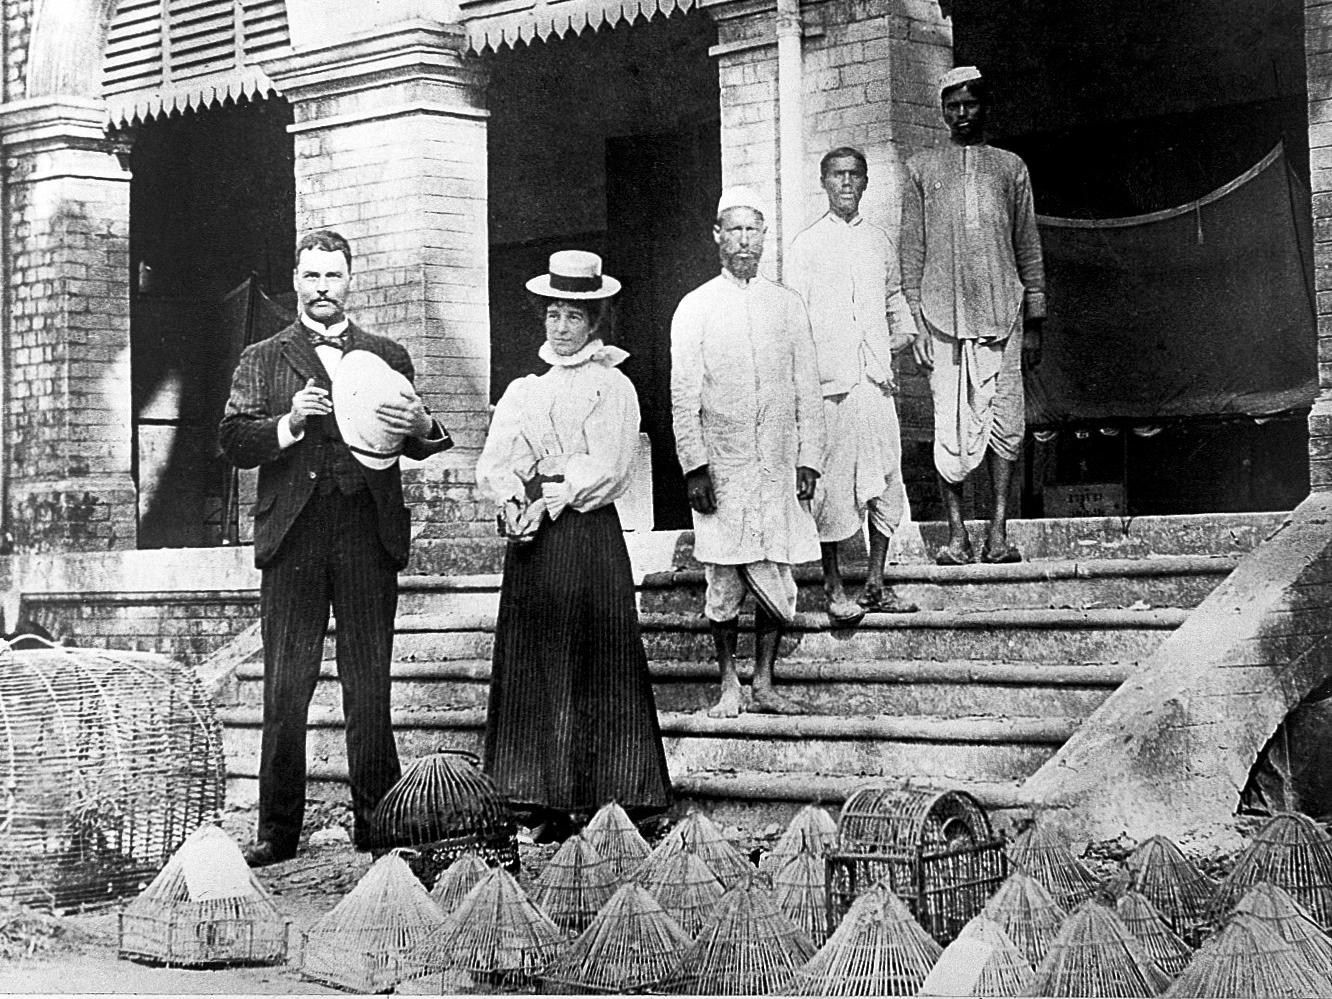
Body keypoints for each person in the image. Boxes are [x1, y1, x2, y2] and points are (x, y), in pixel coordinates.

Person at [219, 229, 452, 866]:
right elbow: (235, 440)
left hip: (364, 531)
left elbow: (421, 433)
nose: (323, 289)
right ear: (296, 280)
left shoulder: (386, 354)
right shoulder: (263, 358)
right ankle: (277, 829)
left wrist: (423, 427)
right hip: (292, 536)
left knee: (368, 681)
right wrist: (290, 423)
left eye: (334, 277)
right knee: (285, 686)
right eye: (312, 277)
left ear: (351, 279)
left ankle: (378, 820)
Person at [476, 250, 671, 840]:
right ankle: (538, 793)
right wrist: (513, 503)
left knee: (594, 659)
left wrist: (553, 495)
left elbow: (609, 466)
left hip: (584, 534)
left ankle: (611, 792)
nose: (561, 328)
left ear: (594, 322)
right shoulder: (524, 389)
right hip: (534, 541)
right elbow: (500, 458)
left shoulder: (611, 384)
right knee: (537, 659)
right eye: (553, 315)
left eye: (574, 317)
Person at [670, 187, 826, 718]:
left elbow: (808, 385)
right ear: (716, 235)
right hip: (724, 467)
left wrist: (810, 458)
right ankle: (728, 685)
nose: (743, 241)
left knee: (775, 571)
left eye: (752, 230)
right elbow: (683, 395)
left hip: (778, 466)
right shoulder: (696, 307)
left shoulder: (786, 304)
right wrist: (695, 467)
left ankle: (763, 680)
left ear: (765, 236)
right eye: (733, 230)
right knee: (725, 577)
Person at [899, 66, 1047, 565]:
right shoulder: (921, 168)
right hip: (941, 319)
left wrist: (1034, 322)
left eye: (970, 104)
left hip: (1003, 315)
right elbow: (911, 252)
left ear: (984, 106)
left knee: (1007, 423)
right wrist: (914, 322)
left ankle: (999, 532)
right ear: (942, 111)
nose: (961, 114)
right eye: (952, 105)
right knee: (950, 424)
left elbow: (1028, 245)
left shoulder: (1011, 168)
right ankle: (957, 536)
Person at [786, 146, 920, 624]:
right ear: (824, 183)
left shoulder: (879, 241)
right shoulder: (805, 246)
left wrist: (904, 336)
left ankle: (877, 582)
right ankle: (832, 585)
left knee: (886, 478)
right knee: (834, 488)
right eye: (838, 175)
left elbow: (893, 298)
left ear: (865, 183)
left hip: (875, 384)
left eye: (854, 175)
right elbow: (794, 320)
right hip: (831, 388)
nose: (846, 183)